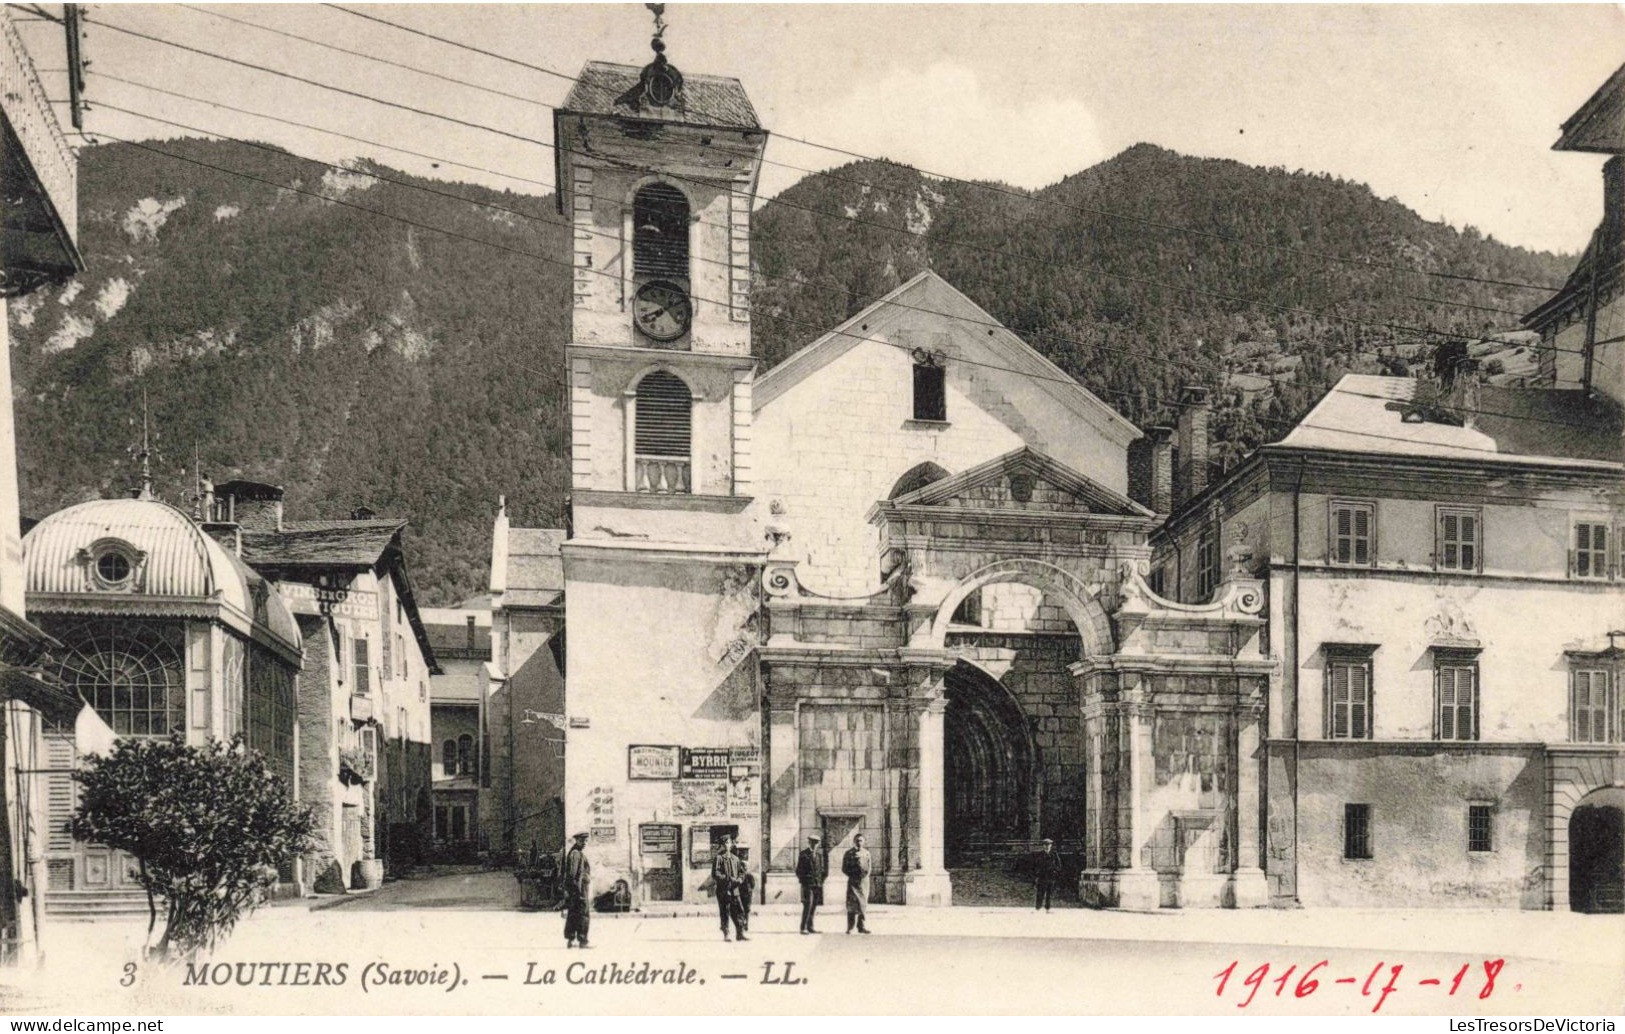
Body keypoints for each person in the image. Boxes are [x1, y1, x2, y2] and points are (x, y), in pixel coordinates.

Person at [710, 834, 749, 942]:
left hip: (735, 889)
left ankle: (740, 933)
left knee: (739, 910)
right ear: (722, 845)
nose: (728, 845)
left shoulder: (735, 858)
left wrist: (740, 879)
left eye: (729, 842)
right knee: (725, 911)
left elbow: (742, 872)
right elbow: (715, 873)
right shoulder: (719, 858)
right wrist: (727, 879)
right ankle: (726, 933)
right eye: (726, 843)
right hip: (723, 889)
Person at [562, 831, 592, 948]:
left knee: (573, 914)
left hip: (577, 889)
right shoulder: (576, 854)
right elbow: (573, 874)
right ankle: (582, 941)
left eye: (585, 841)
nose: (584, 843)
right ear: (577, 841)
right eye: (582, 841)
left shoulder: (577, 853)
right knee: (583, 914)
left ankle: (571, 940)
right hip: (579, 890)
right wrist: (577, 891)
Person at [795, 834, 827, 934]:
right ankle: (803, 927)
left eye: (816, 843)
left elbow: (822, 870)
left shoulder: (819, 856)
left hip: (817, 884)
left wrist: (821, 881)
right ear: (809, 842)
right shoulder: (803, 854)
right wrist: (804, 881)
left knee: (814, 905)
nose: (814, 845)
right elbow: (798, 871)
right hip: (807, 885)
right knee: (807, 905)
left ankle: (810, 927)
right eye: (813, 842)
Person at [841, 833, 872, 934]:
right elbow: (844, 868)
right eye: (857, 840)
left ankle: (861, 927)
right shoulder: (849, 853)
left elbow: (869, 867)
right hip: (853, 883)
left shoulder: (867, 853)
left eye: (861, 840)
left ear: (864, 842)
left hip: (864, 883)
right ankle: (850, 927)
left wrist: (865, 876)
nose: (859, 843)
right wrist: (853, 875)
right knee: (851, 905)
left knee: (863, 905)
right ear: (854, 842)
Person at [1032, 837, 1062, 912]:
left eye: (1048, 844)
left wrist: (1055, 871)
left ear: (1051, 845)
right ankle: (1038, 908)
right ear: (1043, 846)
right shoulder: (1039, 854)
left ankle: (1047, 908)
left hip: (1051, 876)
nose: (1047, 846)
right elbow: (1035, 865)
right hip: (1042, 876)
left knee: (1049, 893)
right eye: (1045, 844)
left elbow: (1059, 865)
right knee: (1040, 893)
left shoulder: (1054, 854)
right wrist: (1037, 874)